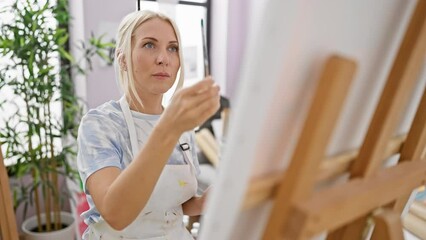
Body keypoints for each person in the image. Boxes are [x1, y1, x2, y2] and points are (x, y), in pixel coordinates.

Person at [77, 10, 220, 240]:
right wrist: (170, 127)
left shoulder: (182, 127)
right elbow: (116, 213)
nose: (163, 58)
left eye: (172, 48)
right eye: (149, 45)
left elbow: (175, 205)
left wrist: (203, 203)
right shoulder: (100, 125)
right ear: (123, 58)